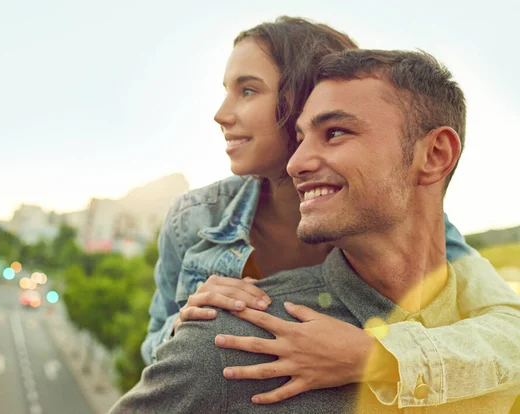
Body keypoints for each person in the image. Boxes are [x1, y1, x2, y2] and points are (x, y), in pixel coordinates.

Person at [109, 48, 518, 413]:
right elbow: (163, 345)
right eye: (300, 138)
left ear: (434, 155)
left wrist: (379, 357)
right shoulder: (230, 342)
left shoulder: (479, 316)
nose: (296, 163)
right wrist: (187, 331)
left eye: (335, 132)